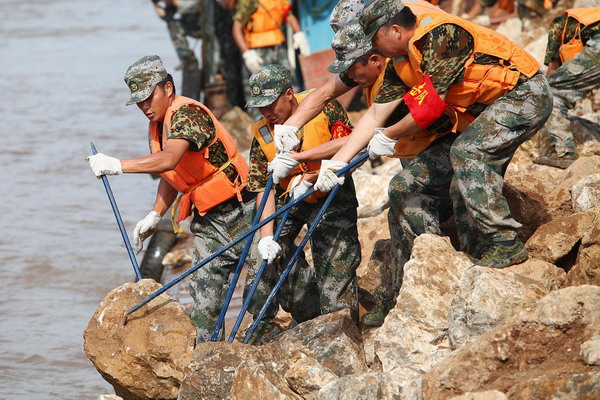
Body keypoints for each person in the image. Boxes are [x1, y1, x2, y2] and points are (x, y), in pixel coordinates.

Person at [315, 0, 552, 273]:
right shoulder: (400, 62)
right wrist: (337, 163)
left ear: (394, 30)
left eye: (375, 41)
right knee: (414, 185)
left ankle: (505, 242)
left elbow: (432, 105)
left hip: (525, 93)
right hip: (483, 115)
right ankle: (467, 259)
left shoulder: (441, 35)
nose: (373, 49)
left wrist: (387, 135)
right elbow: (374, 115)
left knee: (468, 153)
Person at [86, 55, 255, 342]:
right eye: (138, 102)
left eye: (148, 97)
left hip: (243, 210)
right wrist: (154, 215)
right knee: (204, 297)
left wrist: (118, 165)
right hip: (208, 220)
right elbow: (174, 175)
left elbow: (168, 159)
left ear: (167, 88)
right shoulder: (158, 126)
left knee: (268, 285)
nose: (144, 106)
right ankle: (208, 360)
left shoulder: (188, 114)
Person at [243, 64, 361, 341]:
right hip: (291, 199)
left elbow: (353, 143)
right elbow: (263, 188)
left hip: (330, 193)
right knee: (263, 253)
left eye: (271, 104)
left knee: (336, 275)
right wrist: (266, 237)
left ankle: (342, 335)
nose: (267, 113)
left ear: (288, 95)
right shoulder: (263, 134)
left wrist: (316, 174)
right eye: (260, 107)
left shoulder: (323, 107)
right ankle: (305, 314)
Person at [533, 8, 600, 169]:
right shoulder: (588, 22)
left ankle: (562, 153)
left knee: (552, 93)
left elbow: (553, 71)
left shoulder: (558, 25)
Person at [232, 0, 310, 117]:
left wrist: (298, 33)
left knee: (290, 82)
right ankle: (260, 123)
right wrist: (247, 53)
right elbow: (236, 28)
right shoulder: (249, 2)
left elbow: (288, 15)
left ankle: (298, 113)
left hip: (277, 47)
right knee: (258, 88)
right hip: (257, 51)